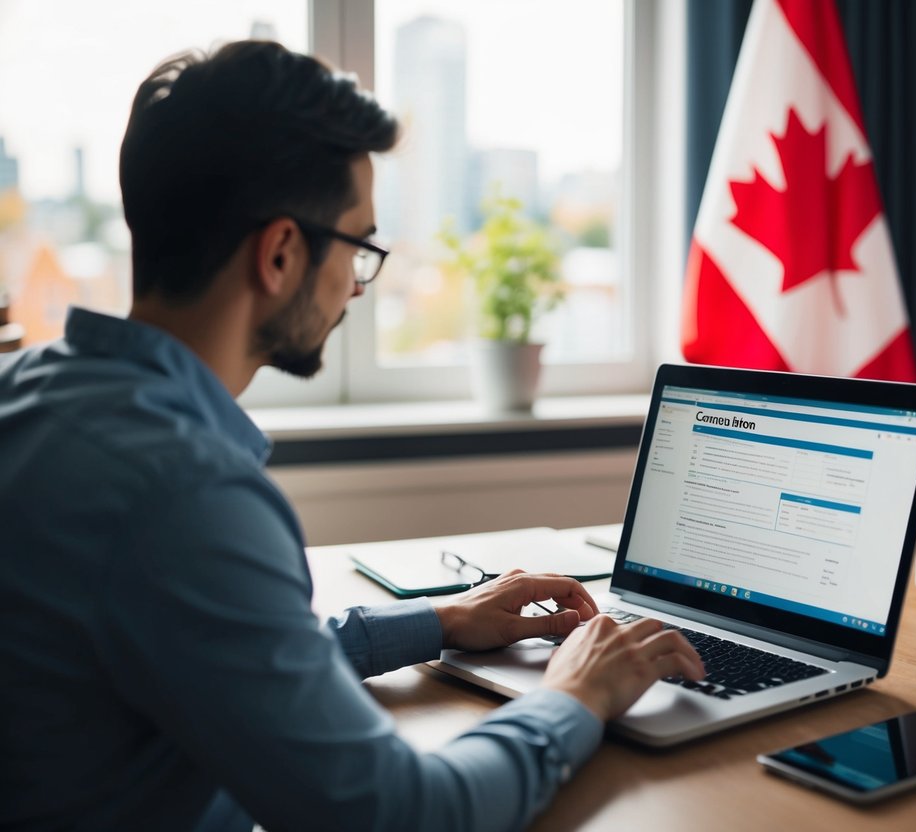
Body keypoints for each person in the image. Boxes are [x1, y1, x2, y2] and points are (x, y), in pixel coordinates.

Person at [0, 41, 703, 832]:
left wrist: (438, 621)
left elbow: (215, 654)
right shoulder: (181, 491)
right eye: (359, 248)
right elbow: (402, 814)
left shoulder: (32, 393)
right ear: (279, 252)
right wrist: (576, 697)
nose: (357, 289)